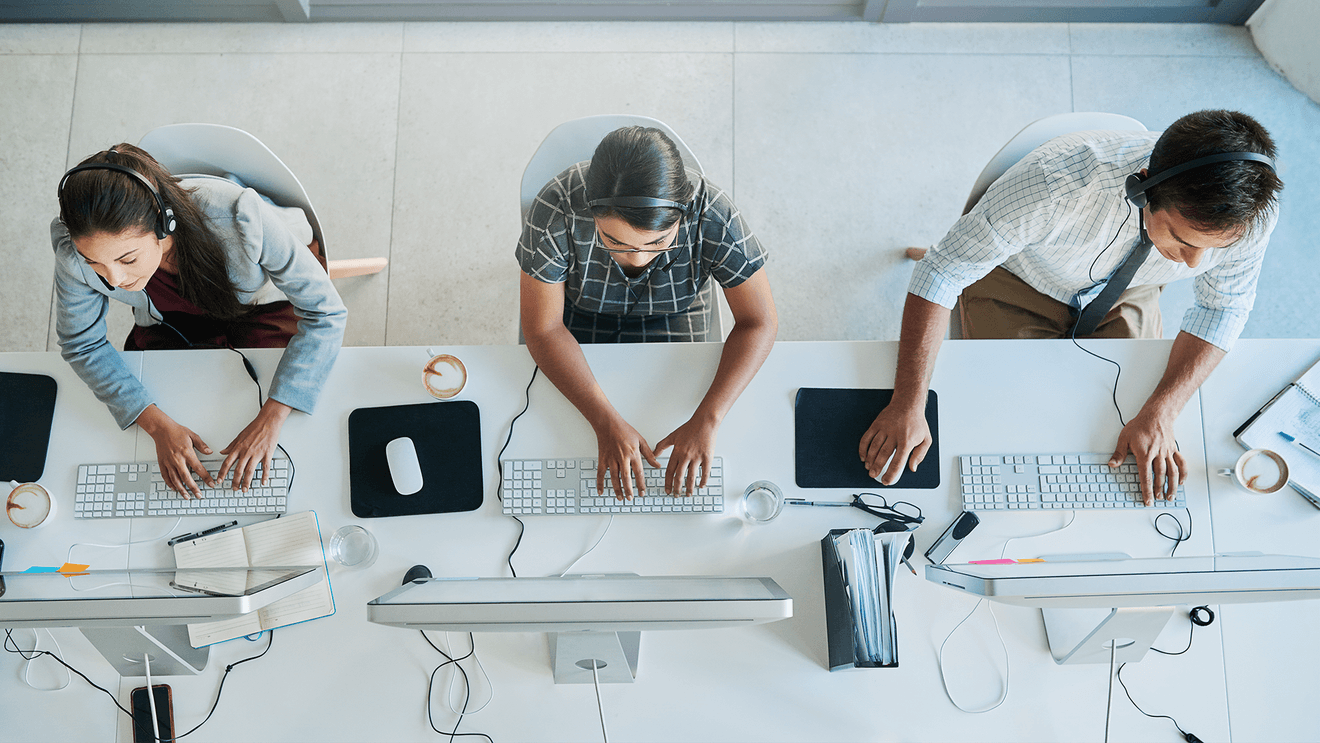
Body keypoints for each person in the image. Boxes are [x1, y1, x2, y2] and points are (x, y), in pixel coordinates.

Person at [861, 110, 1283, 505]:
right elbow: (941, 273)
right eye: (1182, 240)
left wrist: (1162, 412)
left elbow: (1221, 309)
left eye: (1210, 250)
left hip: (1131, 288)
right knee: (1010, 416)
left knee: (1118, 423)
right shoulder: (1053, 185)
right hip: (1022, 278)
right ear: (1142, 188)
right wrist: (907, 403)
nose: (1195, 264)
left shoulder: (1251, 214)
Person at [53, 144, 347, 498]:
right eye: (95, 264)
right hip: (171, 319)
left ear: (164, 225)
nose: (113, 280)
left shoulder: (238, 216)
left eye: (127, 259)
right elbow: (80, 342)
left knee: (290, 407)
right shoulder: (74, 254)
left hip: (258, 305)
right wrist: (156, 424)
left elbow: (326, 312)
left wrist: (273, 416)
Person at [518, 126, 777, 500]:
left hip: (677, 315)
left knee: (678, 417)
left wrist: (709, 418)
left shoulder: (712, 211)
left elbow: (760, 321)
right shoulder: (556, 207)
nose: (637, 258)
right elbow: (542, 329)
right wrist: (604, 421)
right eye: (614, 241)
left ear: (684, 211)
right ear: (590, 211)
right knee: (561, 436)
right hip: (575, 318)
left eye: (658, 242)